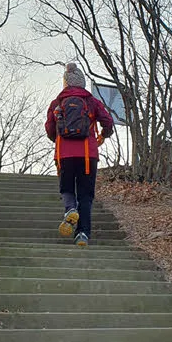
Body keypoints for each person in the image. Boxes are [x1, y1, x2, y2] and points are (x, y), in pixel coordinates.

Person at [44, 63, 114, 246]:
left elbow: (50, 129)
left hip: (64, 155)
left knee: (67, 188)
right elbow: (108, 122)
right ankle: (82, 234)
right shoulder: (92, 101)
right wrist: (103, 135)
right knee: (85, 194)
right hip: (87, 155)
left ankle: (70, 209)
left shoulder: (57, 103)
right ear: (82, 83)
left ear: (66, 83)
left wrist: (58, 139)